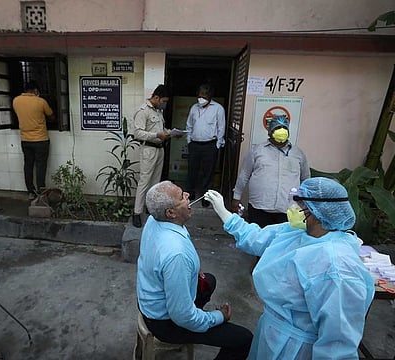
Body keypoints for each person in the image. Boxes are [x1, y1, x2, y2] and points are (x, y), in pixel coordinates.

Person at [204, 177, 375, 359]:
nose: (294, 209)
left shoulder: (337, 266)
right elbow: (256, 238)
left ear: (316, 212)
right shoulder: (296, 232)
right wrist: (223, 212)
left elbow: (338, 340)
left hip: (298, 348)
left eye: (300, 205)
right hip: (272, 332)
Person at [137, 180, 253, 359]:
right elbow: (181, 316)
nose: (188, 196)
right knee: (244, 339)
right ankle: (198, 323)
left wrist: (192, 269)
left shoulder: (155, 219)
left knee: (209, 281)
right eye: (181, 196)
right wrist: (218, 317)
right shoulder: (177, 254)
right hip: (165, 323)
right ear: (171, 212)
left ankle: (199, 319)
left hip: (149, 300)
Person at [232, 115, 310, 227]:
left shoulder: (298, 154)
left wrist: (304, 203)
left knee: (282, 242)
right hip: (259, 207)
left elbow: (305, 180)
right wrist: (236, 198)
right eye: (277, 128)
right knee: (258, 240)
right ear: (270, 131)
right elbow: (244, 175)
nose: (281, 131)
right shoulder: (257, 151)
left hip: (288, 210)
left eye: (284, 128)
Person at [131, 85, 172, 228]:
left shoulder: (158, 111)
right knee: (144, 182)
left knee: (155, 182)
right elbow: (138, 133)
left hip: (160, 149)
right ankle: (137, 213)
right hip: (148, 149)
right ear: (156, 98)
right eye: (164, 101)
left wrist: (170, 133)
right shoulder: (143, 111)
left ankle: (150, 209)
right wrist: (156, 135)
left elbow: (160, 129)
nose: (164, 104)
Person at [12, 80, 55, 200]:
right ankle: (41, 190)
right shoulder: (40, 102)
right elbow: (51, 116)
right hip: (41, 139)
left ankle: (30, 191)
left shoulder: (16, 101)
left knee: (28, 165)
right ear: (36, 90)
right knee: (41, 166)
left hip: (25, 140)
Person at [186, 84, 226, 207]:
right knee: (192, 170)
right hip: (195, 145)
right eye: (199, 95)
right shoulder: (194, 108)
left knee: (208, 173)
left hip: (210, 145)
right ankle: (190, 193)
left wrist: (217, 145)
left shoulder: (218, 108)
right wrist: (189, 141)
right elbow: (189, 125)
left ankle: (205, 197)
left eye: (203, 96)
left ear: (209, 96)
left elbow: (221, 127)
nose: (200, 98)